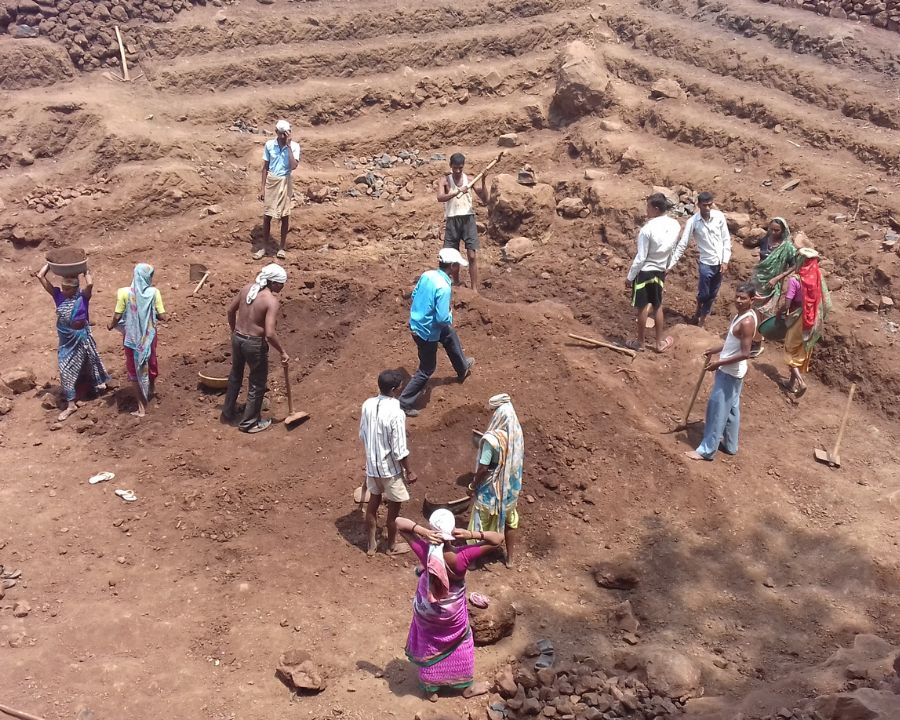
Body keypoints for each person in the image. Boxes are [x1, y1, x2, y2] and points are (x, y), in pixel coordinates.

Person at [397, 509, 502, 702]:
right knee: (463, 641)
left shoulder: (425, 552)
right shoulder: (462, 556)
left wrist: (423, 532)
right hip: (451, 615)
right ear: (453, 530)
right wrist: (472, 534)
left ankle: (431, 690)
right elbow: (497, 539)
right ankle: (466, 687)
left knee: (430, 642)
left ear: (433, 529)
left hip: (427, 612)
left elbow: (399, 522)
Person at [398, 249, 475, 417]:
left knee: (449, 335)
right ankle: (404, 403)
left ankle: (462, 368)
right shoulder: (443, 287)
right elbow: (441, 319)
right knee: (427, 368)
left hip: (418, 324)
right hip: (427, 332)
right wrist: (450, 314)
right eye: (458, 266)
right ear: (453, 266)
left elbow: (416, 294)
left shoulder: (427, 275)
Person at [685, 283, 757, 461]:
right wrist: (715, 350)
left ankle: (707, 450)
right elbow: (732, 343)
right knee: (732, 409)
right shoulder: (740, 316)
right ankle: (730, 445)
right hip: (734, 372)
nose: (739, 301)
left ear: (752, 300)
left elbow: (745, 353)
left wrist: (720, 363)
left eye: (744, 298)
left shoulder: (747, 322)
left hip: (730, 373)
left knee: (717, 409)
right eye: (738, 297)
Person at [36, 264, 109, 421]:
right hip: (66, 341)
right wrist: (49, 264)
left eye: (67, 289)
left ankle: (82, 394)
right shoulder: (59, 297)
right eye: (62, 288)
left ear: (75, 290)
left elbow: (89, 284)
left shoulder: (83, 298)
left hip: (81, 338)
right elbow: (40, 277)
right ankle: (72, 402)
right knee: (65, 369)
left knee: (87, 363)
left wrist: (85, 269)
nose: (63, 291)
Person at [222, 264, 289, 433]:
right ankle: (249, 423)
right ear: (273, 283)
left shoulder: (246, 289)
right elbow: (270, 333)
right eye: (281, 284)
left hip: (238, 338)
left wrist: (234, 332)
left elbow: (230, 311)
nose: (283, 287)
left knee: (235, 375)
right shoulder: (271, 301)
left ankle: (227, 412)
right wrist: (282, 351)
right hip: (254, 344)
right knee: (257, 383)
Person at [359, 369, 418, 556]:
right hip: (390, 470)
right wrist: (409, 471)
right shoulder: (396, 412)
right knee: (393, 511)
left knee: (373, 503)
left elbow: (362, 434)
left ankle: (371, 545)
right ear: (394, 389)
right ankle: (391, 546)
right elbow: (399, 449)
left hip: (372, 467)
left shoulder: (367, 405)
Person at [469, 394, 524, 568]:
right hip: (510, 489)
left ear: (498, 414)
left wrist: (473, 485)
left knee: (480, 521)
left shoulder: (491, 440)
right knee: (510, 520)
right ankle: (510, 559)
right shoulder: (516, 436)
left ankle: (472, 559)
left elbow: (484, 468)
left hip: (491, 490)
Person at [107, 263, 167, 418]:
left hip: (132, 338)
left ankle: (141, 407)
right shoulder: (154, 293)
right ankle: (150, 390)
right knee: (150, 362)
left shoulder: (124, 293)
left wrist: (110, 325)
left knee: (134, 368)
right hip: (149, 337)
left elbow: (117, 315)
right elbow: (162, 316)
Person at [626, 192, 681, 353]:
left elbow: (641, 257)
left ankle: (641, 343)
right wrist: (668, 265)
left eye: (648, 207)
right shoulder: (675, 225)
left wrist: (630, 277)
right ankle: (658, 343)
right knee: (657, 306)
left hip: (645, 272)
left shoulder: (646, 230)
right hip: (660, 271)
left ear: (656, 209)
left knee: (642, 307)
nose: (646, 210)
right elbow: (673, 249)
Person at [668, 191, 732, 328]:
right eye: (705, 205)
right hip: (706, 264)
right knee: (704, 294)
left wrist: (725, 260)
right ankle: (699, 307)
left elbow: (726, 239)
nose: (708, 208)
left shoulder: (719, 217)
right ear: (698, 205)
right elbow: (683, 244)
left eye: (710, 205)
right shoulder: (693, 222)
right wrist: (670, 265)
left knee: (713, 294)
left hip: (719, 263)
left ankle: (702, 320)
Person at [777, 247, 830, 397]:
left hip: (799, 318)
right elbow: (828, 303)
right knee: (801, 349)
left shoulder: (795, 279)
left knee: (789, 348)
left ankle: (800, 382)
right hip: (813, 319)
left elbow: (788, 302)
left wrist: (780, 312)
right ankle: (791, 383)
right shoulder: (818, 278)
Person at [437, 152, 487, 292]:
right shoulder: (445, 180)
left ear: (463, 166)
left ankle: (474, 289)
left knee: (472, 255)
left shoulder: (470, 180)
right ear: (450, 166)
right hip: (452, 220)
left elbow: (485, 199)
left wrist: (483, 181)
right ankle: (456, 282)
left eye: (460, 168)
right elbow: (440, 197)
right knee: (452, 255)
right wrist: (457, 192)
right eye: (455, 168)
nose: (458, 171)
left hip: (468, 219)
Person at [750, 217, 798, 358]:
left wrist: (777, 278)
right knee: (755, 310)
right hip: (759, 280)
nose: (773, 232)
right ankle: (755, 337)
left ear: (783, 231)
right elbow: (762, 259)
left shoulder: (787, 247)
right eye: (771, 229)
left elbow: (795, 265)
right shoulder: (765, 240)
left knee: (764, 311)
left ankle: (757, 342)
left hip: (772, 284)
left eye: (776, 230)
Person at [256, 119, 300, 261]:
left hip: (285, 181)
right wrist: (262, 188)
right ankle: (264, 247)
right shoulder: (269, 145)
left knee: (285, 215)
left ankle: (281, 247)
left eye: (285, 134)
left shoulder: (294, 146)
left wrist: (288, 147)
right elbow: (265, 167)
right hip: (272, 181)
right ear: (276, 132)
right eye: (280, 134)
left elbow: (293, 166)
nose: (282, 137)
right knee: (267, 215)